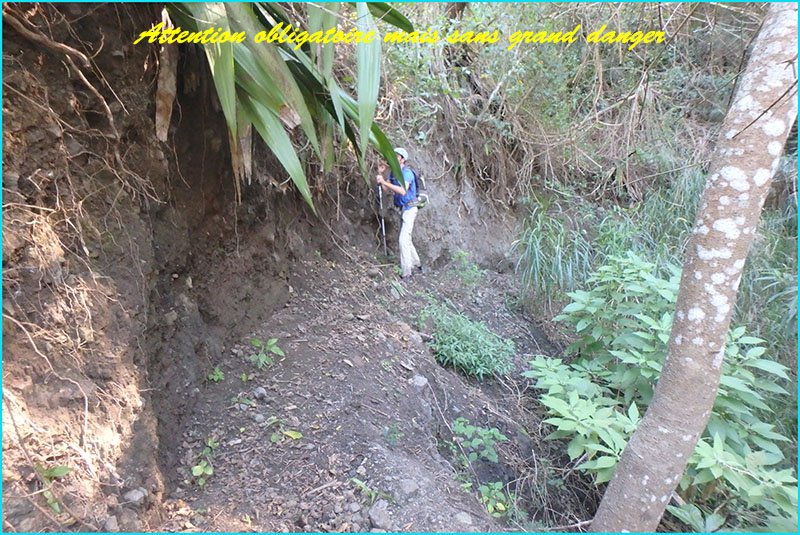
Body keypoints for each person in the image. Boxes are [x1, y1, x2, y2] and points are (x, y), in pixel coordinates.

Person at [376, 148, 423, 279]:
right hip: (403, 209)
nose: (393, 158)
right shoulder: (393, 173)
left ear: (402, 159)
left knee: (403, 240)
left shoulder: (407, 173)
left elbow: (402, 191)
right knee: (407, 238)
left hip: (410, 208)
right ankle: (417, 265)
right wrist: (381, 175)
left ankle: (407, 272)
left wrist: (384, 182)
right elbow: (386, 189)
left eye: (396, 156)